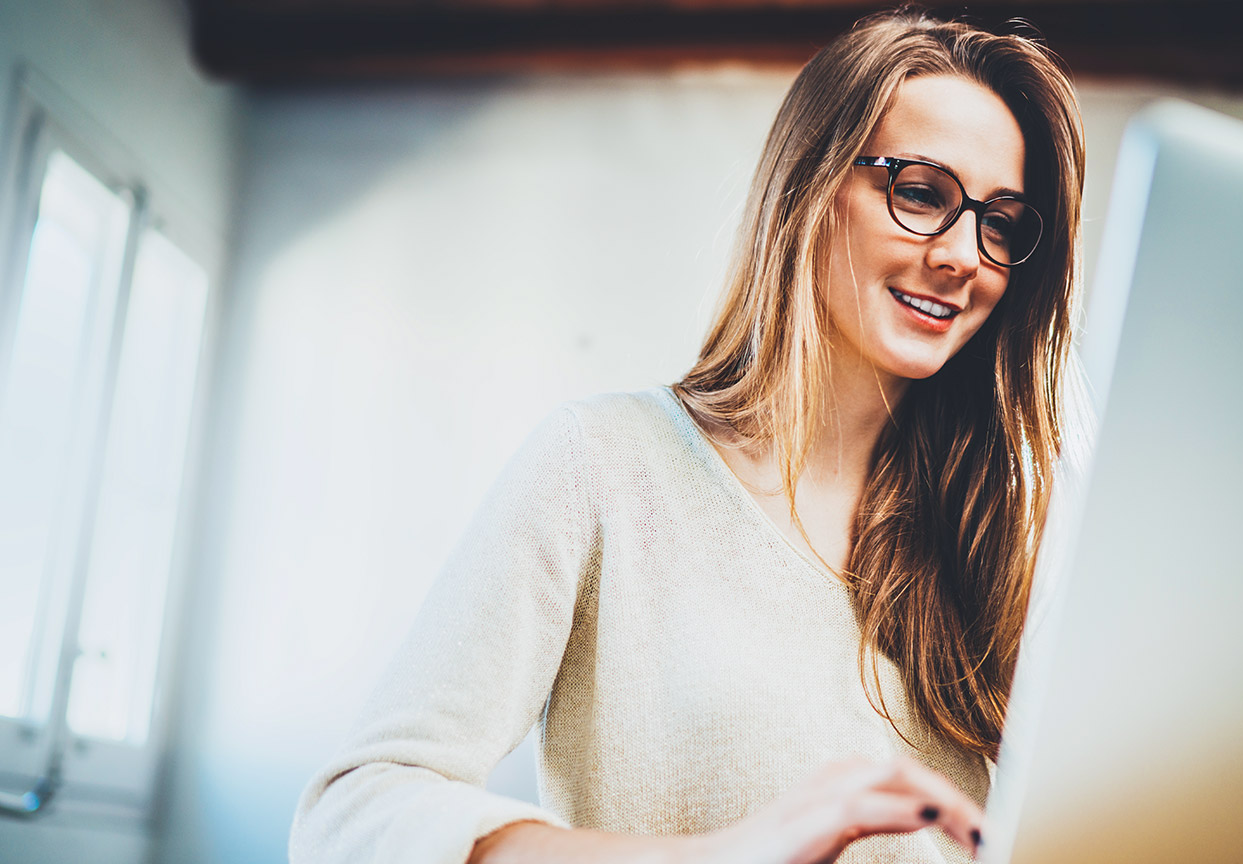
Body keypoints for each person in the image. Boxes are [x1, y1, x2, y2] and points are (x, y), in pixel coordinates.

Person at [290, 8, 1084, 864]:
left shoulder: (1001, 538)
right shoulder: (603, 467)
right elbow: (354, 819)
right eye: (922, 193)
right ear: (806, 189)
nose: (967, 254)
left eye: (1001, 223)